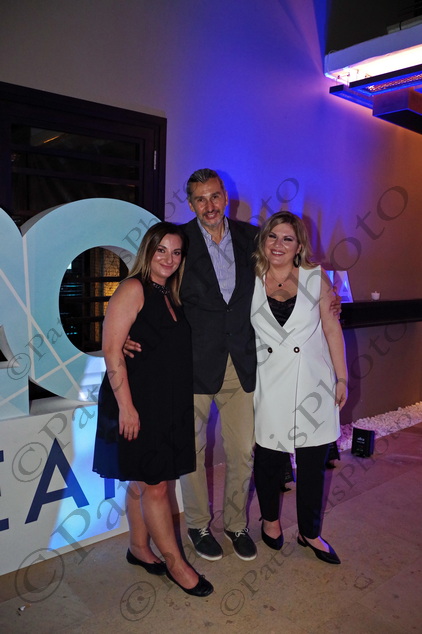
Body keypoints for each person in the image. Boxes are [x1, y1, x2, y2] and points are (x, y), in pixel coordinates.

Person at [126, 169, 259, 562]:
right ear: (190, 204)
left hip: (240, 363)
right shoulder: (179, 241)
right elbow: (151, 284)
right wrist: (130, 329)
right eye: (200, 199)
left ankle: (236, 524)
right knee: (193, 451)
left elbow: (286, 270)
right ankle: (199, 524)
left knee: (243, 449)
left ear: (225, 197)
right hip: (191, 364)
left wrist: (324, 296)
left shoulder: (252, 238)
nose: (209, 205)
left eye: (215, 196)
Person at [92, 222, 213, 597]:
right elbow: (111, 349)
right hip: (137, 401)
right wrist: (126, 408)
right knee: (157, 486)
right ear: (148, 251)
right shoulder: (134, 288)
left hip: (164, 403)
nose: (169, 258)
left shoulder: (168, 293)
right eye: (161, 250)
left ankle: (138, 548)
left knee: (142, 481)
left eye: (176, 252)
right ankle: (177, 565)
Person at [251, 211, 348, 564]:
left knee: (311, 462)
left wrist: (342, 377)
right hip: (269, 381)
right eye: (272, 236)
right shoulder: (250, 279)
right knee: (268, 457)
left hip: (312, 381)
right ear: (263, 240)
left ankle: (310, 531)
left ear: (299, 245)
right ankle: (270, 520)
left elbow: (332, 329)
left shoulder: (315, 278)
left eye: (287, 238)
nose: (278, 244)